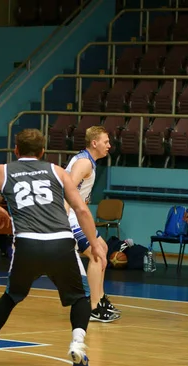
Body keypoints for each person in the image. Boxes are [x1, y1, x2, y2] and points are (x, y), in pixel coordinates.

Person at [0, 128, 106, 366]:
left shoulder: (2, 170)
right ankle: (78, 345)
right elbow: (81, 210)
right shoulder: (58, 171)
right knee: (80, 297)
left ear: (16, 150)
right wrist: (93, 243)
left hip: (27, 243)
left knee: (10, 297)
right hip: (61, 242)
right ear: (43, 152)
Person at [65, 126, 121, 323]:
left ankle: (100, 297)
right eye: (106, 142)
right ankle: (94, 307)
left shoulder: (89, 162)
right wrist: (62, 219)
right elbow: (67, 189)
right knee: (96, 253)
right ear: (94, 143)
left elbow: (81, 199)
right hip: (67, 215)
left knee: (102, 248)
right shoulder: (83, 163)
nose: (109, 146)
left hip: (76, 215)